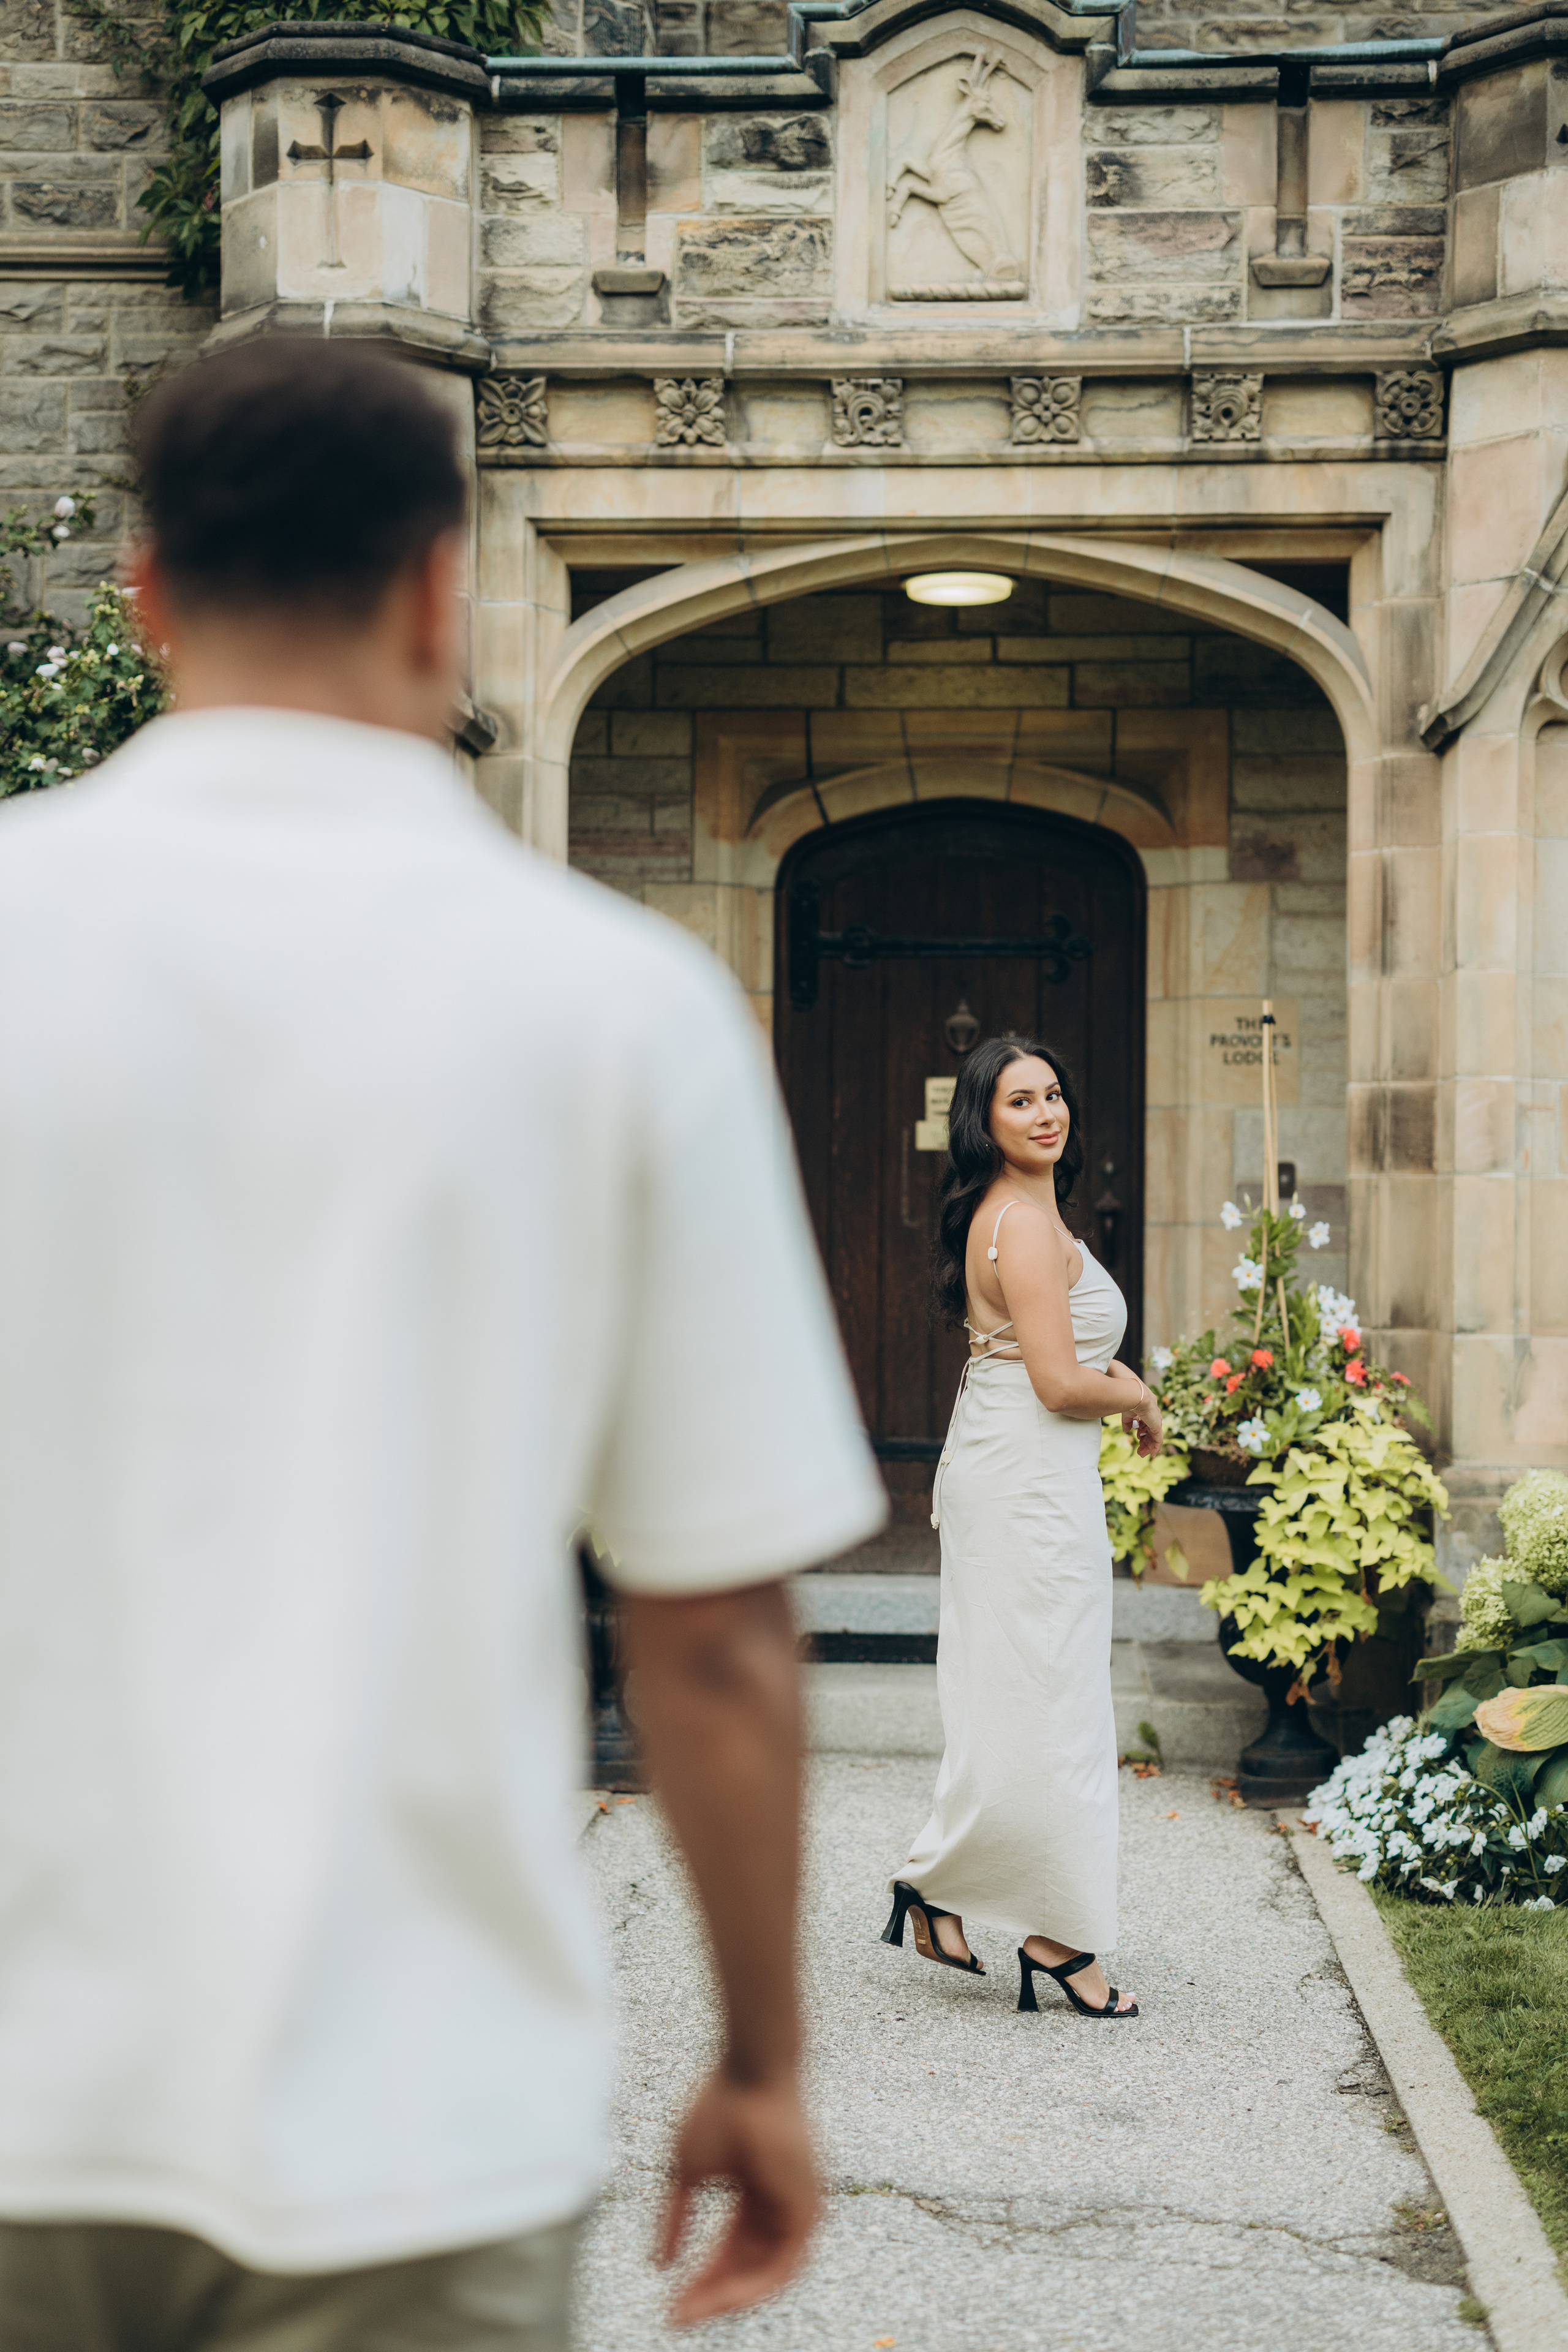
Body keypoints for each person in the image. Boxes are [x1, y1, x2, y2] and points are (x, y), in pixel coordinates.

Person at [0, 338, 885, 2351]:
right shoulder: (618, 1010)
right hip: (416, 2113)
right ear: (440, 585)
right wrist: (759, 2058)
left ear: (141, 595)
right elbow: (718, 1634)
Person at [882, 1035, 1161, 2018]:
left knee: (1029, 1692)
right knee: (1055, 1702)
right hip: (1026, 1481)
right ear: (984, 1122)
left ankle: (943, 1885)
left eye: (1053, 1095)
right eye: (1019, 1103)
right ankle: (1059, 1937)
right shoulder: (1026, 1226)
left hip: (1024, 1470)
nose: (1046, 1114)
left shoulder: (1023, 1212)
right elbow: (1056, 1380)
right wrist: (1138, 1392)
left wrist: (1116, 1390)